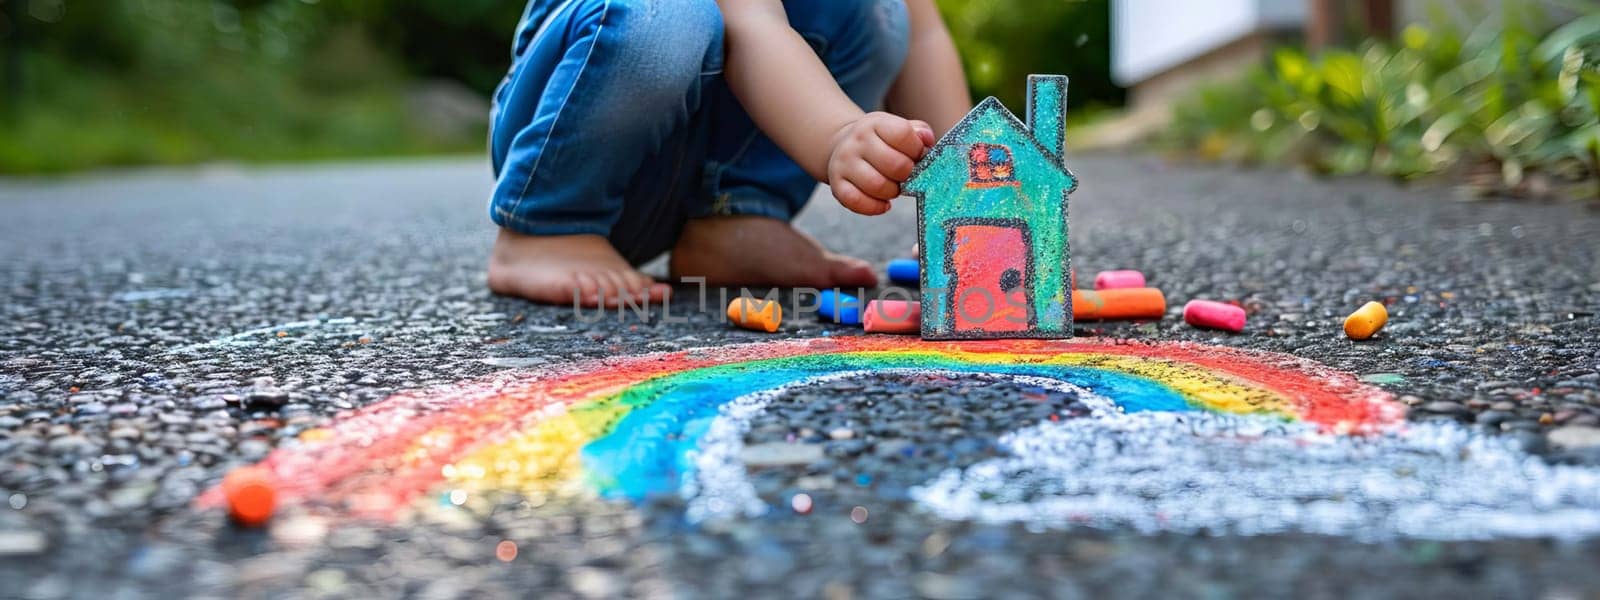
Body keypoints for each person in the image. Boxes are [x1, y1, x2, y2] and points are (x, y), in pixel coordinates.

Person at [486, 0, 971, 307]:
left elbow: (924, 37)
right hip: (576, 120)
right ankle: (546, 226)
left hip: (682, 160)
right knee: (668, 15)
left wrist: (968, 205)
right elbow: (753, 26)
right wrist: (840, 133)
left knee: (881, 8)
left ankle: (735, 217)